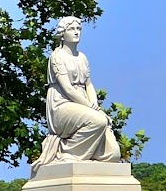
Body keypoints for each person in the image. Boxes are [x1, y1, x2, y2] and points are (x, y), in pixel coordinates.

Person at [31, 16, 120, 174]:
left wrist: (95, 105)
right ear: (62, 34)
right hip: (62, 104)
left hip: (83, 103)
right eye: (71, 29)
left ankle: (82, 154)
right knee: (98, 120)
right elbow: (68, 88)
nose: (76, 32)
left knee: (113, 154)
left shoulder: (82, 57)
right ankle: (67, 153)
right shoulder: (57, 57)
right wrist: (92, 108)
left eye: (78, 29)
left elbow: (89, 85)